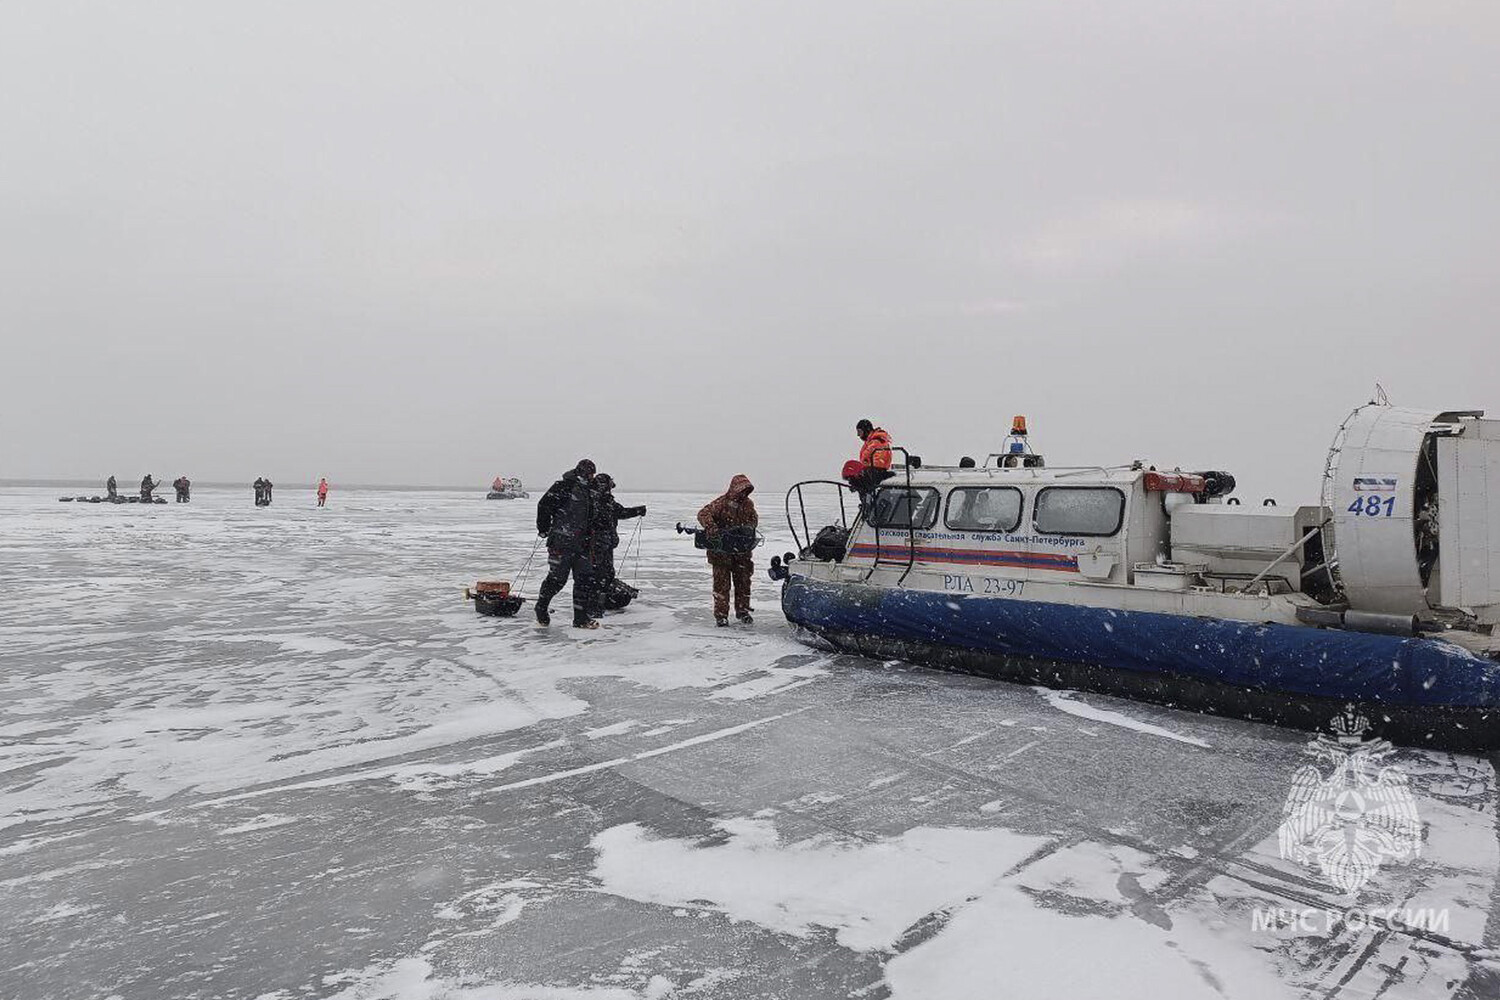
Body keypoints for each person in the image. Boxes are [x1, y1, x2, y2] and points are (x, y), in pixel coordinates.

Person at [534, 459, 600, 629]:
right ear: (581, 472)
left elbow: (595, 516)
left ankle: (581, 619)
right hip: (561, 543)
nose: (591, 477)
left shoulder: (591, 491)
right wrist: (543, 528)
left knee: (584, 581)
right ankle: (541, 607)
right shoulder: (563, 487)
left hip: (583, 544)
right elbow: (543, 505)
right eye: (589, 474)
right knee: (557, 580)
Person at [698, 474, 758, 626]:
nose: (743, 494)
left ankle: (743, 611)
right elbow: (703, 514)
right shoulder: (721, 503)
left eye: (746, 490)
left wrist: (747, 529)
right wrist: (712, 527)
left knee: (744, 583)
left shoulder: (748, 504)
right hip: (721, 553)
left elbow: (754, 519)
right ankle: (721, 616)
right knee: (721, 586)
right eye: (741, 490)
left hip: (742, 553)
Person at [588, 473, 646, 614]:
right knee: (598, 575)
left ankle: (599, 602)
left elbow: (621, 512)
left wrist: (637, 510)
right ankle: (593, 606)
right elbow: (618, 513)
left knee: (606, 573)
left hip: (605, 544)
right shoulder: (593, 501)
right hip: (595, 545)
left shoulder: (606, 501)